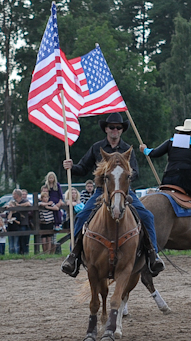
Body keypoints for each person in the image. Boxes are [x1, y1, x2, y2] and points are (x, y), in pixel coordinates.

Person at [61, 112, 164, 277]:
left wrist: (126, 176)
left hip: (125, 191)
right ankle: (74, 256)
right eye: (112, 127)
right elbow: (82, 168)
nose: (115, 130)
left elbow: (135, 171)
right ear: (106, 129)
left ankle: (153, 254)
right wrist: (71, 166)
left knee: (147, 216)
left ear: (122, 130)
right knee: (82, 217)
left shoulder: (127, 149)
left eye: (118, 127)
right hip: (102, 192)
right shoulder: (97, 148)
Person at [140, 119, 191, 248]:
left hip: (167, 179)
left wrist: (144, 149)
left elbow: (153, 153)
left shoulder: (171, 142)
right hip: (185, 180)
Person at [6, 189, 31, 255]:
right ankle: (19, 254)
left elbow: (28, 204)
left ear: (17, 195)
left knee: (24, 241)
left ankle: (25, 253)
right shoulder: (13, 202)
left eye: (14, 194)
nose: (13, 195)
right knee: (17, 241)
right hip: (16, 225)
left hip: (23, 223)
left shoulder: (24, 200)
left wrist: (18, 206)